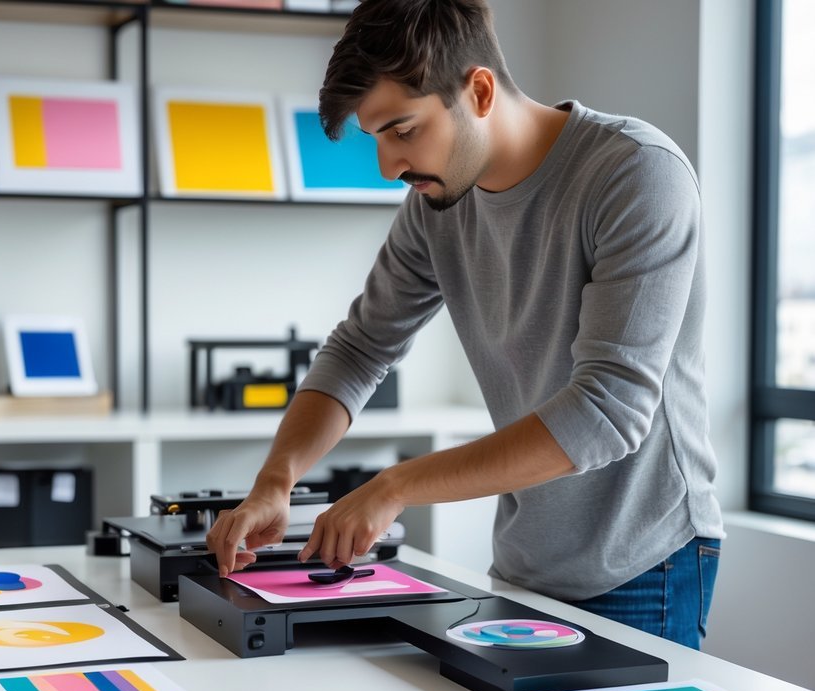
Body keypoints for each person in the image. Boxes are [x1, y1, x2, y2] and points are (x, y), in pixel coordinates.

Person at [205, 0, 723, 649]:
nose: (386, 167)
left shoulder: (634, 172)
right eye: (376, 139)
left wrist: (395, 486)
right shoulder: (436, 205)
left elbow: (606, 413)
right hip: (523, 559)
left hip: (643, 560)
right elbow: (360, 348)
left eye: (401, 129)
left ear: (477, 91)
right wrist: (273, 483)